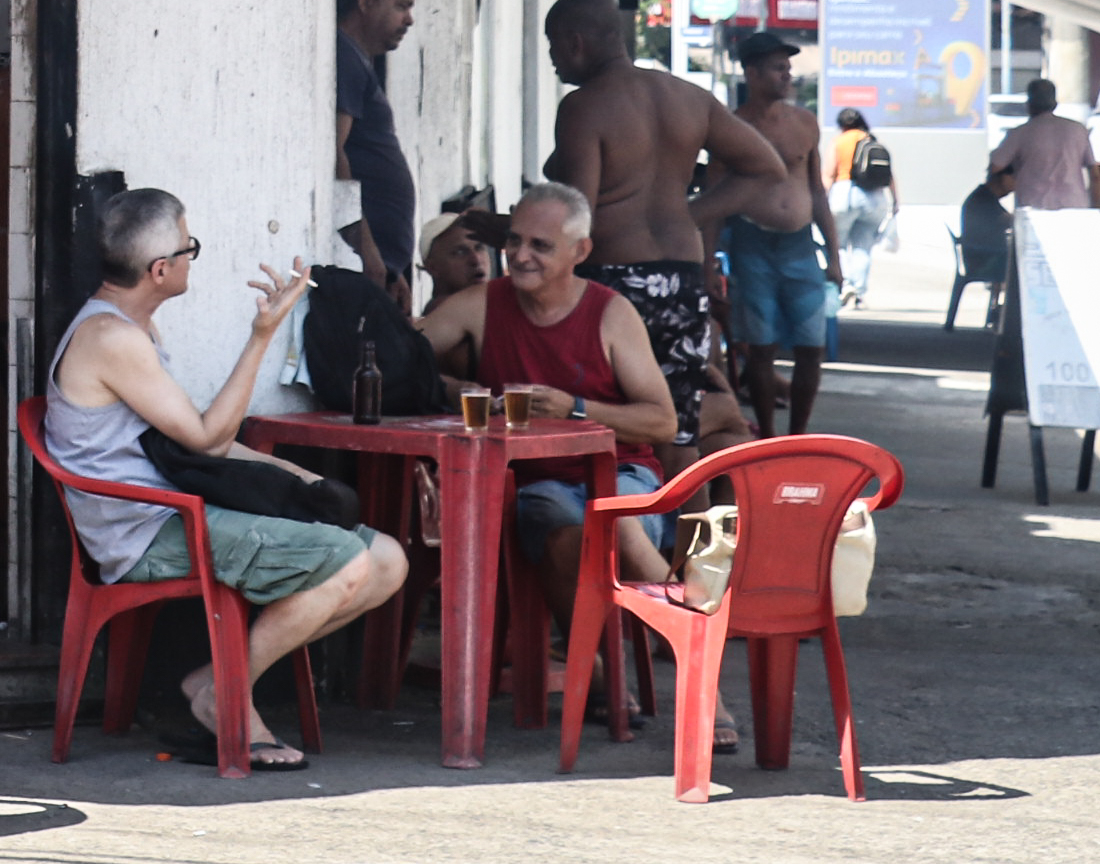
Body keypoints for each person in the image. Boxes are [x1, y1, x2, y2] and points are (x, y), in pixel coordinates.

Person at [45, 187, 406, 771]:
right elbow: (207, 438)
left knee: (387, 560)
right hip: (145, 531)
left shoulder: (130, 329)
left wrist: (292, 472)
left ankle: (214, 681)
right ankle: (226, 697)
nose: (193, 258)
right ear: (160, 270)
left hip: (172, 509)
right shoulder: (111, 339)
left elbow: (193, 439)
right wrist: (262, 336)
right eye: (190, 248)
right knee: (349, 560)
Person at [412, 184, 680, 670]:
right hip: (538, 482)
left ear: (580, 251)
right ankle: (602, 674)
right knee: (562, 532)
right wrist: (454, 387)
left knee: (614, 519)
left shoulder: (610, 313)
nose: (520, 256)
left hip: (620, 472)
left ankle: (699, 670)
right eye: (513, 241)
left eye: (540, 245)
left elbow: (662, 421)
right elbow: (401, 355)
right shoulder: (483, 303)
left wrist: (576, 408)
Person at [541, 0, 788, 451]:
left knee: (612, 430)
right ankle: (687, 525)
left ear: (575, 41)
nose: (552, 60)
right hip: (681, 279)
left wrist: (512, 235)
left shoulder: (583, 107)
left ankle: (620, 523)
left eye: (552, 45)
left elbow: (576, 216)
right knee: (676, 430)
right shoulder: (688, 97)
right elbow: (767, 168)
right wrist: (686, 215)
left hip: (613, 285)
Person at [713, 34, 843, 438]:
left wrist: (834, 256)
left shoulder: (804, 123)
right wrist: (706, 264)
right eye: (777, 68)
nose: (787, 75)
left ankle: (799, 434)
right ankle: (768, 435)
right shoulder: (732, 128)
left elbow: (817, 192)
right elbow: (713, 201)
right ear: (751, 73)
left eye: (788, 68)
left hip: (801, 247)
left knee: (811, 347)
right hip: (752, 246)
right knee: (761, 347)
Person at [335, 0, 420, 292]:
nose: (409, 20)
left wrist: (389, 268)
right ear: (367, 0)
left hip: (380, 267)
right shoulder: (345, 56)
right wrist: (368, 251)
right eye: (401, 6)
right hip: (363, 264)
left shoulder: (357, 59)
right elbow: (335, 155)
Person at [986, 78, 1100, 212]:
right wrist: (1097, 208)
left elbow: (996, 166)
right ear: (1055, 104)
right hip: (1074, 208)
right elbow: (1095, 175)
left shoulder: (1020, 133)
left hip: (1033, 209)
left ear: (1029, 104)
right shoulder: (1078, 130)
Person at [828, 108, 899, 305]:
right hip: (874, 197)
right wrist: (895, 201)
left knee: (838, 243)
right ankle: (858, 291)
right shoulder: (872, 140)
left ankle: (845, 284)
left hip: (845, 194)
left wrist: (822, 199)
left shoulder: (839, 142)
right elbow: (889, 175)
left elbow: (828, 174)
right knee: (863, 246)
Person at [422, 212, 502, 304]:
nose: (476, 259)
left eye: (479, 248)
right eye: (460, 253)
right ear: (433, 267)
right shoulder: (444, 313)